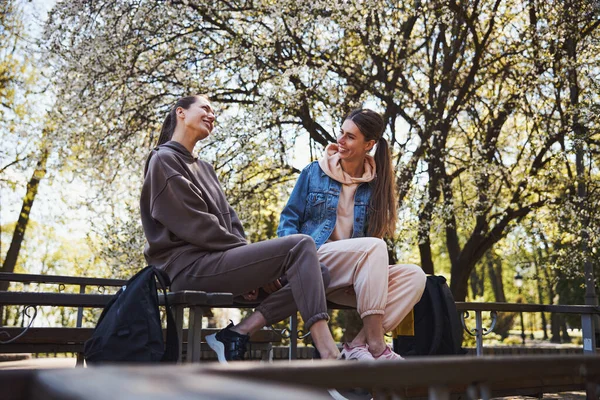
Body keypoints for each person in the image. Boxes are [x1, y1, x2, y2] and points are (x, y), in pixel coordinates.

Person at [140, 95, 340, 362]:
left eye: (214, 112)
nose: (212, 115)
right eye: (205, 108)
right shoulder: (163, 160)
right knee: (300, 244)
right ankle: (329, 354)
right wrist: (254, 268)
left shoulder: (206, 169)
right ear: (181, 113)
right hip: (189, 268)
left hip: (219, 264)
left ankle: (238, 332)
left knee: (319, 272)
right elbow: (195, 224)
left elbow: (230, 223)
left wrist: (252, 268)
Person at [278, 109, 427, 361]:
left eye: (350, 137)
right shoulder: (314, 172)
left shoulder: (376, 184)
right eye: (341, 133)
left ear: (369, 144)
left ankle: (357, 346)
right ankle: (378, 347)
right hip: (315, 264)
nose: (340, 141)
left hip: (352, 278)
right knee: (375, 246)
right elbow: (288, 221)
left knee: (416, 276)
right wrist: (287, 263)